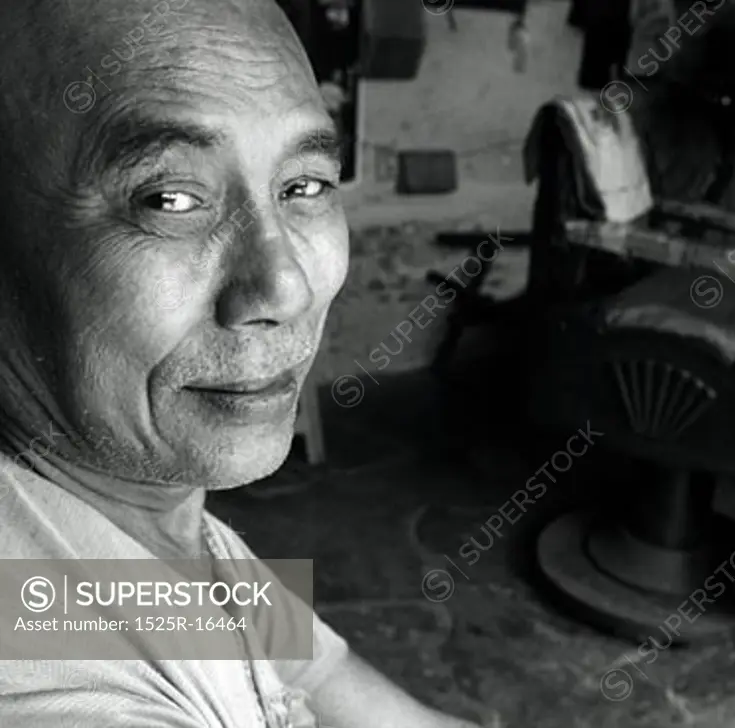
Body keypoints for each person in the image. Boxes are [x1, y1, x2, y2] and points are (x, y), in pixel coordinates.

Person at [0, 1, 479, 726]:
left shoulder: (150, 520)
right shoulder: (50, 690)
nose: (284, 287)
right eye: (170, 198)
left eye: (304, 186)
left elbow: (324, 673)